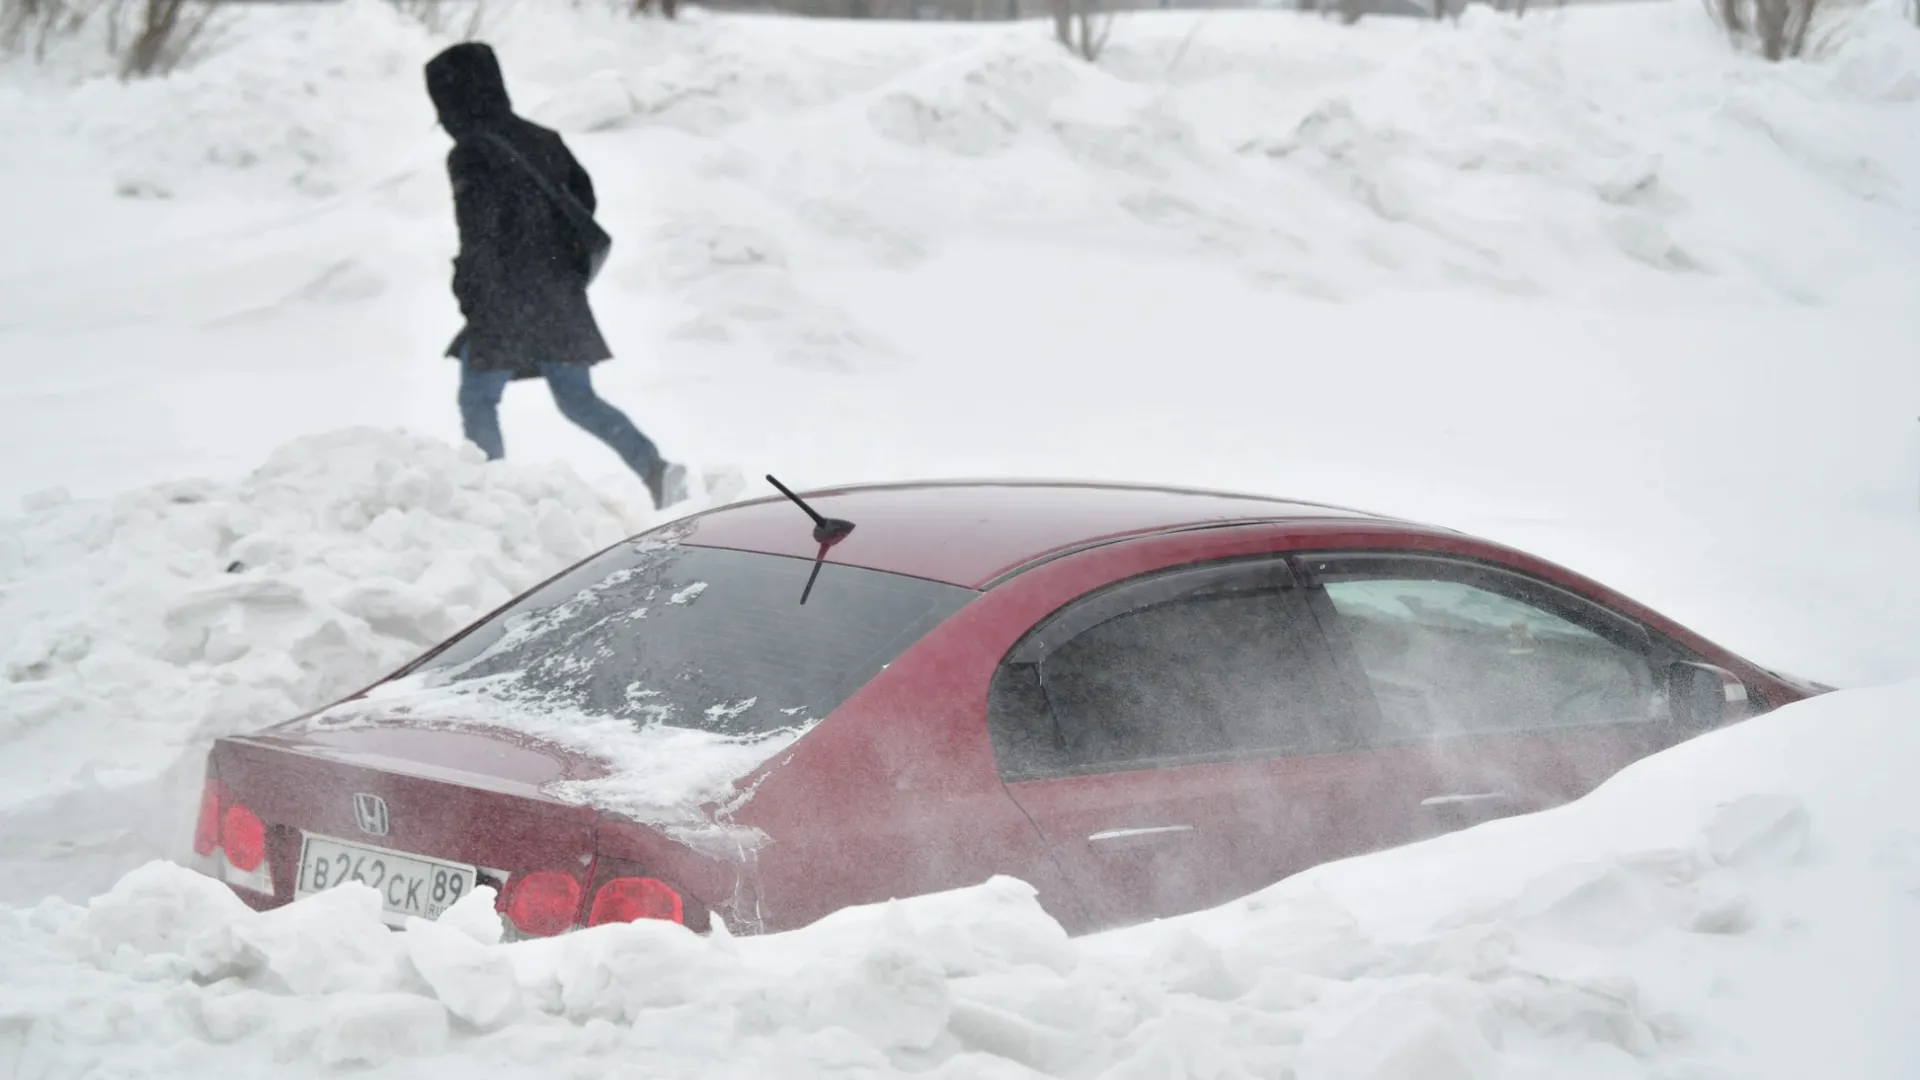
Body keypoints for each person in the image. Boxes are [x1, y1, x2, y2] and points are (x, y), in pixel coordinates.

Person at [424, 42, 686, 510]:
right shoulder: (544, 138)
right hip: (557, 291)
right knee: (577, 398)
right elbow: (584, 203)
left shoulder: (470, 152)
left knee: (478, 397)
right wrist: (550, 261)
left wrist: (471, 292)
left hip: (505, 298)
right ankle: (657, 470)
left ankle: (490, 495)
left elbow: (478, 234)